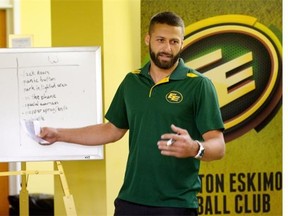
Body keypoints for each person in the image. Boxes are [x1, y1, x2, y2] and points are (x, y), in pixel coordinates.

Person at [40, 11, 225, 216]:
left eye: (174, 41)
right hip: (130, 200)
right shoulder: (132, 81)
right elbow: (111, 130)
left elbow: (218, 146)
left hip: (176, 204)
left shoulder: (199, 85)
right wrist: (59, 134)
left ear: (182, 43)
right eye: (160, 40)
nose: (167, 48)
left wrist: (195, 148)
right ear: (148, 39)